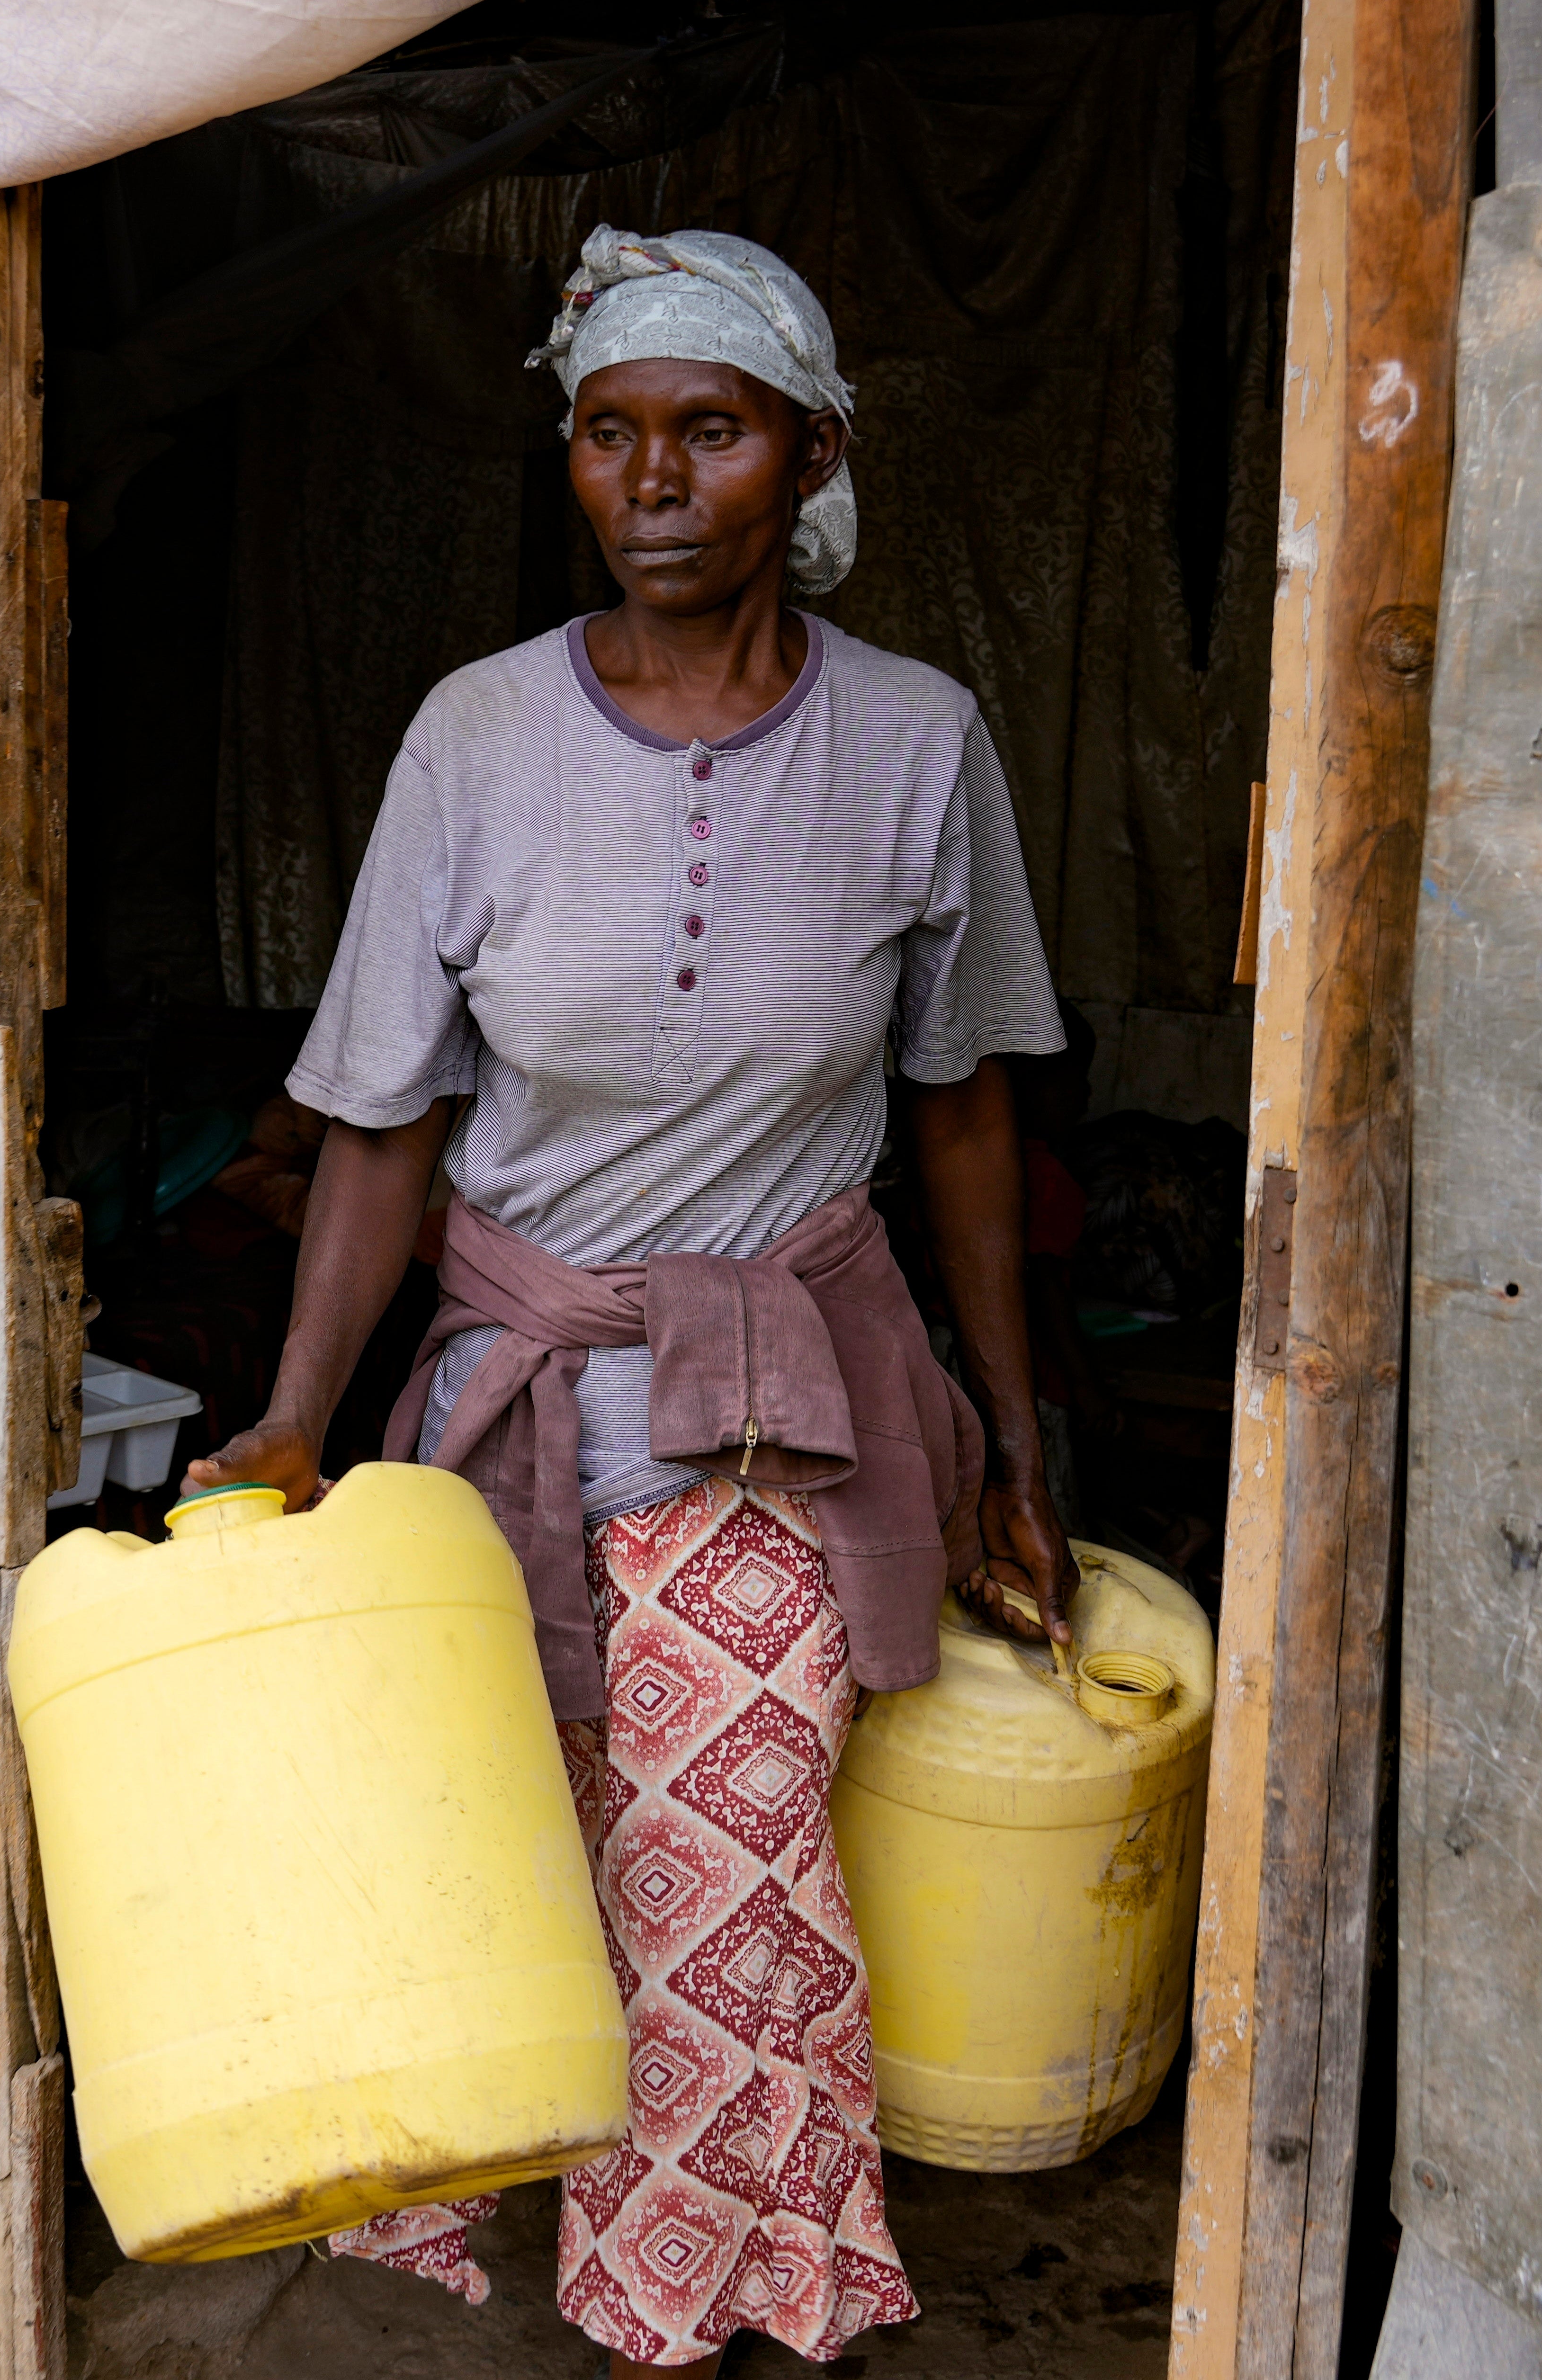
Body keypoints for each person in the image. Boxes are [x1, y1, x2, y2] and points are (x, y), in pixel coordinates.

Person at [181, 224, 1074, 2372]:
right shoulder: (478, 736)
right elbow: (382, 1122)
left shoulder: (917, 741)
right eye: (607, 434)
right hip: (508, 1394)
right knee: (513, 1853)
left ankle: (686, 2309)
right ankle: (660, 2260)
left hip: (776, 1401)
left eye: (711, 430)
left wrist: (1014, 1440)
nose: (652, 481)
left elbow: (960, 1112)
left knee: (726, 1868)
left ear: (814, 451)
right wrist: (300, 1411)